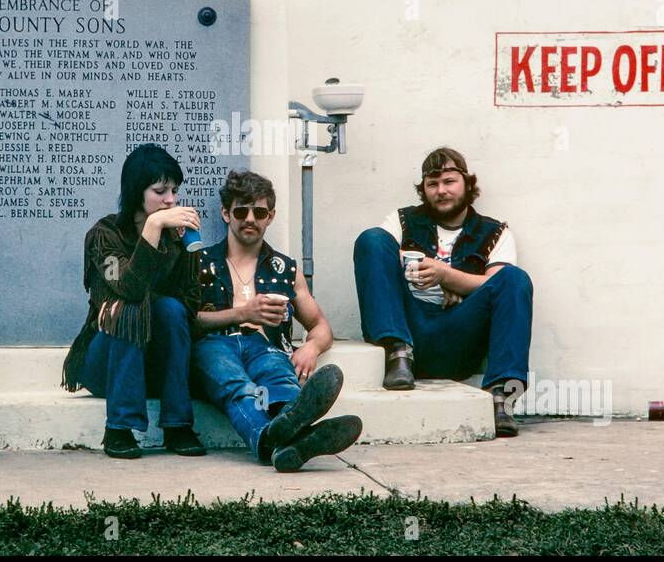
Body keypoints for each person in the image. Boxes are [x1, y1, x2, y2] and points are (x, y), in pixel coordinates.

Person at [352, 148, 532, 437]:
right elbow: (377, 256)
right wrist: (442, 281)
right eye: (432, 184)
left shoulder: (495, 232)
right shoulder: (403, 221)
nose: (441, 190)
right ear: (423, 189)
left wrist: (447, 276)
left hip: (459, 337)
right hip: (409, 329)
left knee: (515, 278)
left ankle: (501, 399)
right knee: (371, 239)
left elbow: (498, 283)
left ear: (467, 183)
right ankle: (398, 354)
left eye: (449, 182)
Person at [192, 171, 363, 472]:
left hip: (265, 346)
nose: (249, 219)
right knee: (239, 387)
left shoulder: (284, 269)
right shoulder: (199, 263)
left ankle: (286, 438)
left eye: (259, 212)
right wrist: (243, 313)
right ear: (225, 213)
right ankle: (290, 439)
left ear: (270, 216)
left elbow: (321, 326)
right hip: (215, 345)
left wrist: (311, 349)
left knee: (280, 381)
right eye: (240, 211)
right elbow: (188, 320)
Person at [62, 143, 206, 459]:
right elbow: (126, 287)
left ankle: (178, 426)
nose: (170, 200)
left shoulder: (178, 238)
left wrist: (173, 245)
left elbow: (190, 304)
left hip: (155, 365)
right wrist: (153, 228)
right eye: (160, 191)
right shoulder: (105, 235)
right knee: (127, 309)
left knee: (169, 309)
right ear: (135, 192)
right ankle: (119, 428)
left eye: (174, 190)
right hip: (107, 361)